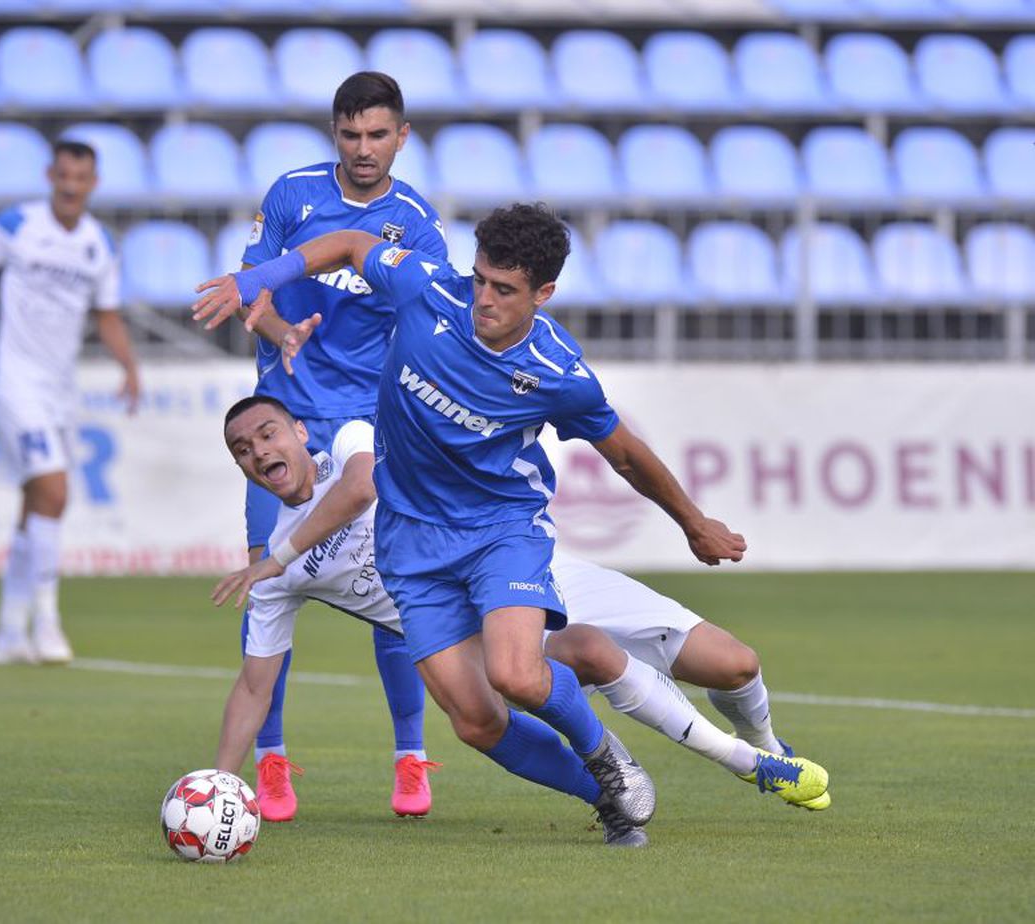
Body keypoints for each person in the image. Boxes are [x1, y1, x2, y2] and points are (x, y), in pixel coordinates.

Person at [193, 205, 819, 847]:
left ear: (543, 293)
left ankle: (663, 751)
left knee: (543, 673)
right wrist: (257, 278)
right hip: (411, 547)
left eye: (504, 289)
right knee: (473, 720)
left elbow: (625, 453)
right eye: (481, 279)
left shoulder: (559, 375)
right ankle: (610, 787)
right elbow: (354, 242)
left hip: (500, 534)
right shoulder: (427, 289)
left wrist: (693, 523)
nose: (482, 299)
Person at [209, 397, 829, 839]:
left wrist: (277, 557)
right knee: (481, 718)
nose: (259, 450)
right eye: (243, 449)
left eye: (267, 433)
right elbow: (253, 685)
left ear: (297, 430)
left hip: (532, 567)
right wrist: (218, 785)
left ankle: (769, 748)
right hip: (469, 634)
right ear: (241, 469)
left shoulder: (349, 444)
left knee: (733, 665)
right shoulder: (274, 577)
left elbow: (363, 489)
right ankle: (616, 794)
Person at [222, 71, 448, 822]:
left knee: (396, 595)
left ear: (402, 137)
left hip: (369, 426)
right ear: (334, 135)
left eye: (377, 135)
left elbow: (428, 321)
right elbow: (254, 289)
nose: (363, 150)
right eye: (350, 135)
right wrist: (279, 329)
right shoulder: (291, 193)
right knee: (268, 584)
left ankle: (410, 758)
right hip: (283, 420)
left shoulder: (415, 223)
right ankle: (272, 761)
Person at [0, 138, 139, 666]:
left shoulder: (99, 244)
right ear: (50, 175)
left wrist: (130, 366)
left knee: (37, 503)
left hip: (60, 388)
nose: (71, 186)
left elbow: (107, 315)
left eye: (81, 178)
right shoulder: (14, 226)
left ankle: (7, 630)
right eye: (63, 176)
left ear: (93, 182)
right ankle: (47, 621)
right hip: (12, 381)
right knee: (53, 488)